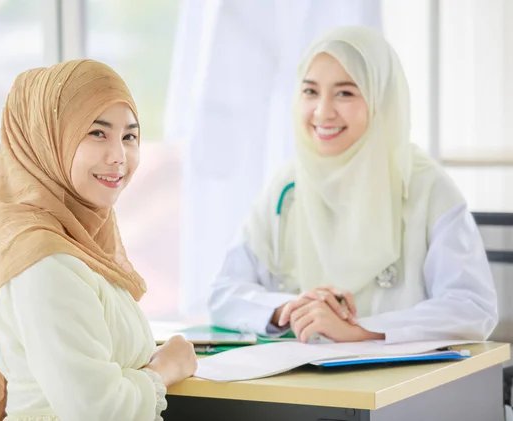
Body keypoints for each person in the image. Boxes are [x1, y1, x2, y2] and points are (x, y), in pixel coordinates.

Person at [208, 26, 498, 344]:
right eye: (310, 91)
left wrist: (360, 331)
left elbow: (473, 308)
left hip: (404, 386)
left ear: (381, 99)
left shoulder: (427, 187)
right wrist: (289, 309)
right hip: (303, 382)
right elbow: (224, 294)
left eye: (345, 92)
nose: (323, 111)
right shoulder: (286, 187)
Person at [0, 59, 197, 421]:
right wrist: (163, 369)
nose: (118, 156)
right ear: (47, 140)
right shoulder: (46, 262)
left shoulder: (67, 247)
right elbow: (98, 411)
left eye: (129, 136)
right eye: (97, 133)